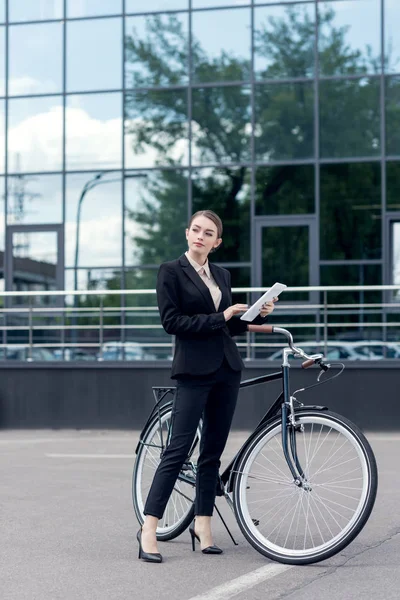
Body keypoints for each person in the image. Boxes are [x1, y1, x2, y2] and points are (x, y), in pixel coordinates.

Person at [137, 210, 276, 563]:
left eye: (208, 232)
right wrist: (222, 315)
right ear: (187, 234)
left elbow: (227, 329)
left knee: (211, 453)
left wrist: (257, 315)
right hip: (193, 370)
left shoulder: (222, 275)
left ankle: (203, 524)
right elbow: (172, 322)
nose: (201, 235)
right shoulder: (171, 271)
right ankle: (149, 529)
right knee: (178, 450)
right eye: (196, 230)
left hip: (227, 369)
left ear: (217, 242)